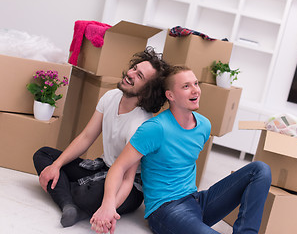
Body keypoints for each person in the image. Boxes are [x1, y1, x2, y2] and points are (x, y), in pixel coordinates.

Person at [90, 66, 272, 234]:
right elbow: (119, 167)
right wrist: (108, 205)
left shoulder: (204, 125)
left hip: (196, 201)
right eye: (186, 86)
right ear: (170, 95)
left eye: (196, 84)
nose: (195, 90)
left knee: (260, 169)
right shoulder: (155, 128)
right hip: (165, 210)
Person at [33, 47, 170, 228]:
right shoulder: (110, 96)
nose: (130, 73)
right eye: (134, 68)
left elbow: (128, 179)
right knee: (44, 156)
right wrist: (57, 165)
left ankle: (70, 199)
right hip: (102, 166)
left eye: (140, 76)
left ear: (147, 91)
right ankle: (69, 205)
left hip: (127, 187)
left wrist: (109, 207)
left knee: (87, 194)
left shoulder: (141, 124)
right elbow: (86, 137)